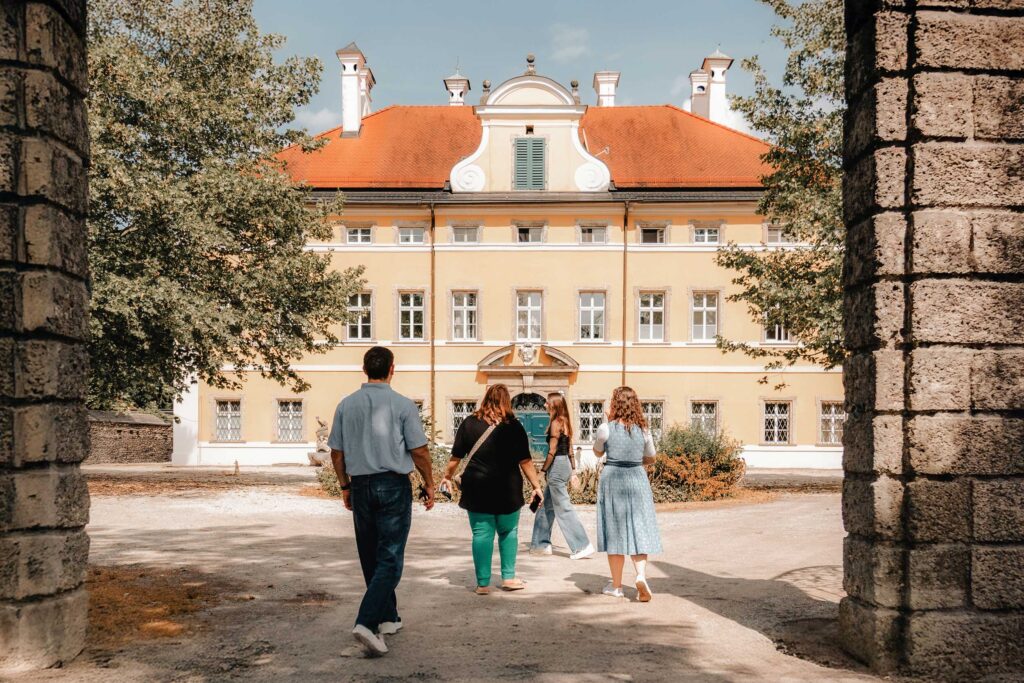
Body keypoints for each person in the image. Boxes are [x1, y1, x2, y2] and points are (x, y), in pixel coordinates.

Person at [328, 346, 436, 657]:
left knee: (370, 554)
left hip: (360, 486)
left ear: (364, 370)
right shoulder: (402, 405)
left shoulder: (346, 405)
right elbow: (419, 451)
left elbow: (337, 453)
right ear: (392, 369)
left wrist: (344, 486)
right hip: (392, 485)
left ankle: (388, 617)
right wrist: (429, 482)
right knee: (390, 557)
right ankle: (366, 622)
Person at [439, 384, 544, 595]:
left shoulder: (469, 423)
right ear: (507, 401)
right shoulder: (514, 426)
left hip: (477, 487)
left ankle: (483, 583)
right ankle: (508, 578)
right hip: (508, 488)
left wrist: (447, 477)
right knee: (508, 532)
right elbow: (525, 461)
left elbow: (456, 457)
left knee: (481, 534)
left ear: (485, 399)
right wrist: (536, 486)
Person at [593, 386, 662, 602]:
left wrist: (609, 422)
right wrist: (635, 460)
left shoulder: (606, 428)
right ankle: (640, 575)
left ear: (615, 403)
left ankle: (616, 586)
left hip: (613, 477)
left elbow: (598, 451)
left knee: (615, 532)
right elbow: (651, 456)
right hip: (637, 478)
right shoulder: (644, 430)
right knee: (638, 527)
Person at [530, 392, 595, 559]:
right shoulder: (565, 422)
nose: (544, 405)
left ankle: (582, 545)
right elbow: (570, 449)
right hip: (564, 462)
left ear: (553, 405)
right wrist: (573, 470)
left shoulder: (555, 423)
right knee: (545, 506)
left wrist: (542, 471)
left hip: (557, 464)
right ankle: (540, 544)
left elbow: (552, 451)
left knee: (563, 508)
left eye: (547, 403)